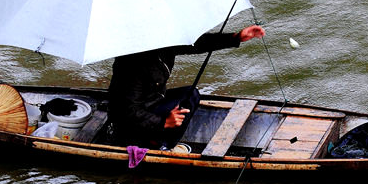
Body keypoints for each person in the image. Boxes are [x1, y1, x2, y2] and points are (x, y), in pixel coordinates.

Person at [107, 25, 265, 148]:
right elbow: (126, 111)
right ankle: (157, 146)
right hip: (128, 122)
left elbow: (197, 44)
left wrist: (236, 37)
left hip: (152, 104)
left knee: (190, 95)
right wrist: (162, 123)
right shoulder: (132, 63)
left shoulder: (164, 44)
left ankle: (158, 141)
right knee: (174, 113)